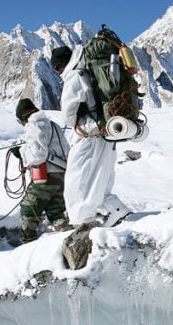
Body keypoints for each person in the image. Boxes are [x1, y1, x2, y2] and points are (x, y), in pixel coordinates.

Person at [51, 44, 130, 228]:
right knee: (101, 175)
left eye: (57, 68)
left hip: (89, 131)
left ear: (60, 65)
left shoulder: (74, 75)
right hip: (107, 128)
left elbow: (68, 114)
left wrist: (74, 123)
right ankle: (117, 210)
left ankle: (82, 224)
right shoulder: (88, 70)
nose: (58, 72)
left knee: (77, 179)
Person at [13, 98, 70, 242]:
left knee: (28, 209)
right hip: (61, 174)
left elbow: (38, 155)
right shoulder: (53, 125)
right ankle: (68, 239)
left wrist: (21, 152)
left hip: (46, 176)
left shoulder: (35, 125)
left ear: (22, 117)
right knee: (55, 212)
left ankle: (27, 244)